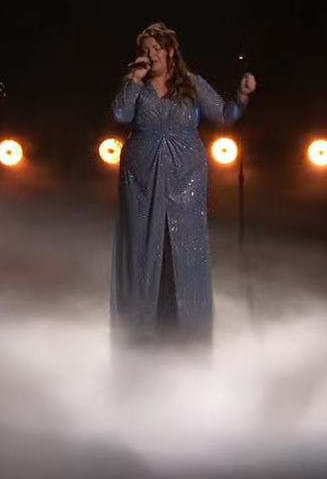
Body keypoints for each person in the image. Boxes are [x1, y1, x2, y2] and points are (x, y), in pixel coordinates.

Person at [110, 22, 257, 349]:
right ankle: (144, 327)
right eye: (145, 50)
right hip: (141, 179)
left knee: (181, 246)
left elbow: (224, 115)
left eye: (156, 48)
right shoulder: (136, 85)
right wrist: (134, 79)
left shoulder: (191, 83)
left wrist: (242, 96)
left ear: (170, 51)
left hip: (185, 176)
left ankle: (183, 328)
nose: (151, 55)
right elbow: (120, 114)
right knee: (145, 246)